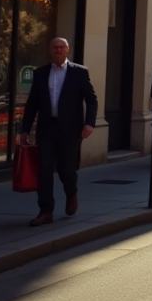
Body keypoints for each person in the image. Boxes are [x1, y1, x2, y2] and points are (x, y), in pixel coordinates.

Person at [18, 38, 98, 227]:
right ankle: (45, 211)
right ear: (49, 50)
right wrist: (25, 129)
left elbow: (91, 100)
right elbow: (32, 104)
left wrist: (89, 124)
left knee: (66, 169)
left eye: (62, 47)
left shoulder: (79, 72)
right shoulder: (40, 73)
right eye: (55, 47)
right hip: (47, 128)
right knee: (44, 169)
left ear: (67, 50)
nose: (58, 50)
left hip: (71, 129)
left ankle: (71, 192)